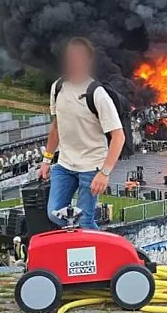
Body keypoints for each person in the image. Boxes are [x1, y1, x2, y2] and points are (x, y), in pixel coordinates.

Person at [40, 38, 125, 230]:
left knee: (85, 221)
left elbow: (118, 136)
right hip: (64, 165)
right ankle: (77, 245)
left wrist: (104, 173)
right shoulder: (58, 87)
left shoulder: (97, 93)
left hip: (91, 166)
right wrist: (47, 160)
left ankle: (102, 254)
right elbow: (57, 126)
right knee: (54, 214)